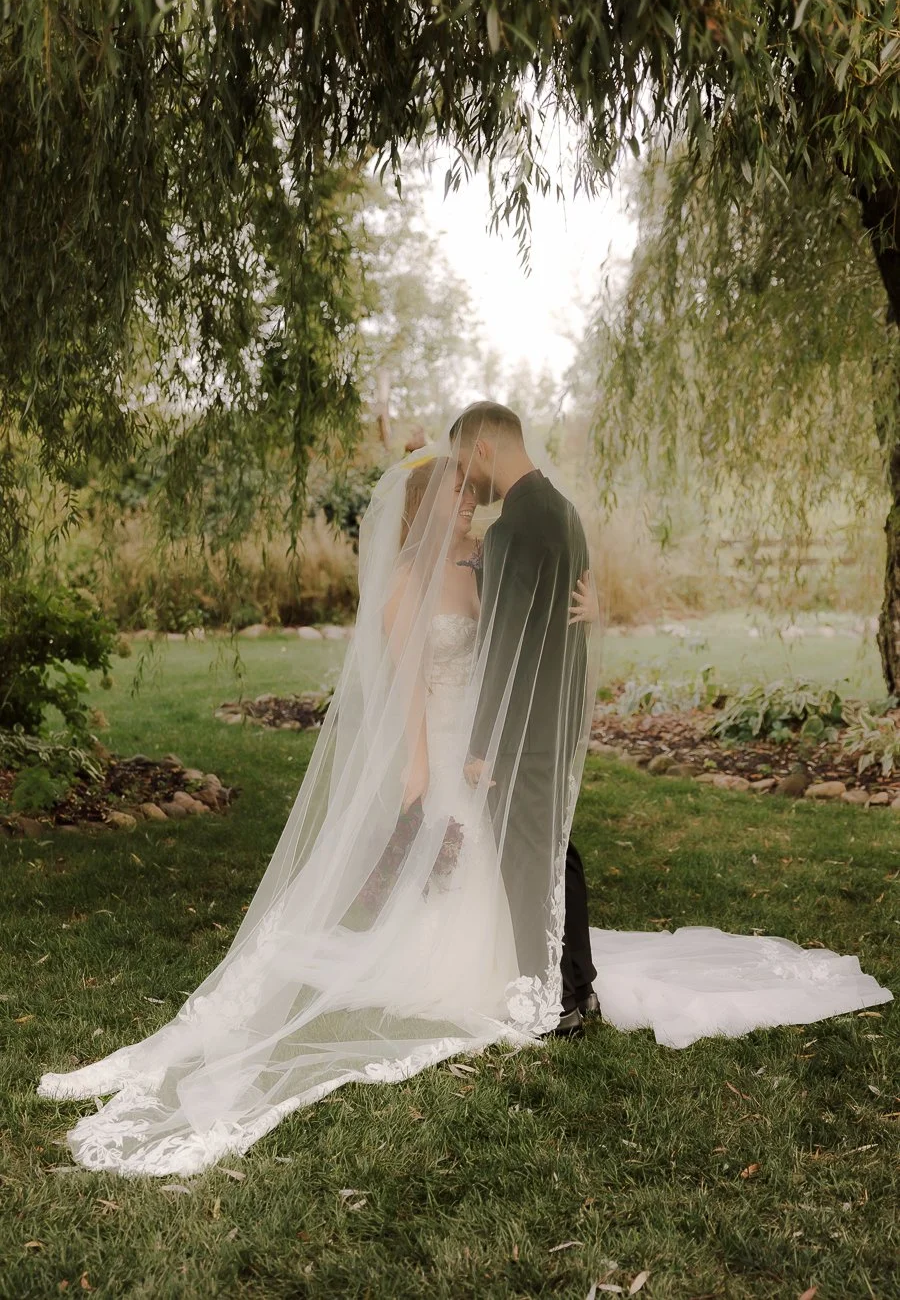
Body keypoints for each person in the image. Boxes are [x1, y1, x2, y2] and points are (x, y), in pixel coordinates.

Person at [36, 414, 892, 1179]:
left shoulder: (482, 563)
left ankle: (530, 968)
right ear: (424, 507)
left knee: (503, 872)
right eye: (454, 489)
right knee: (457, 878)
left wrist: (592, 610)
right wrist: (418, 771)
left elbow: (518, 642)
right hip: (442, 753)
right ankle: (505, 971)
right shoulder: (408, 587)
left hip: (481, 755)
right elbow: (405, 688)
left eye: (465, 483)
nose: (468, 497)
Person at [450, 402, 599, 1038]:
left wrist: (481, 742)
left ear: (483, 449)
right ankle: (577, 988)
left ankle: (554, 1003)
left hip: (524, 726)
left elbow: (501, 644)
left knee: (528, 860)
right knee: (557, 850)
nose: (468, 482)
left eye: (465, 463)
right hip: (557, 714)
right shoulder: (564, 512)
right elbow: (573, 616)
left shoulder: (512, 527)